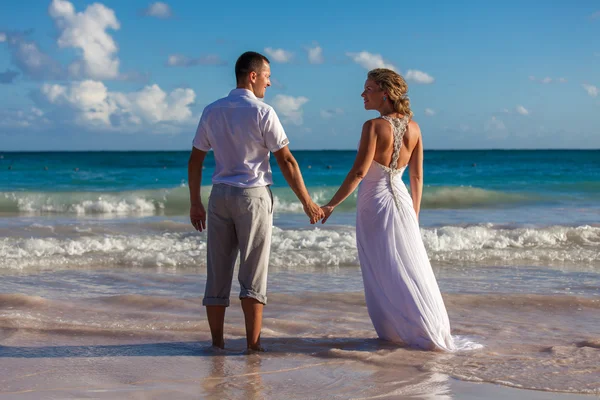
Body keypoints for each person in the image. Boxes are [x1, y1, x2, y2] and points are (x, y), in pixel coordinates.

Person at [188, 51, 324, 352]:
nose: (269, 83)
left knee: (218, 271)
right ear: (253, 76)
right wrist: (307, 202)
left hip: (220, 195)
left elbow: (195, 160)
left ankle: (217, 343)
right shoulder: (263, 112)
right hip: (252, 196)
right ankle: (253, 345)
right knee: (253, 273)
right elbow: (286, 160)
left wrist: (195, 203)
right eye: (267, 76)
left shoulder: (212, 111)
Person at [320, 68, 458, 351]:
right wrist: (414, 215)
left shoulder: (372, 127)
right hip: (403, 202)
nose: (362, 94)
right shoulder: (415, 128)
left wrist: (331, 204)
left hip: (375, 202)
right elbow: (417, 177)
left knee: (383, 268)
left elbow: (359, 172)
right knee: (408, 266)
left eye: (367, 89)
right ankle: (421, 328)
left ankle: (396, 332)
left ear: (385, 93)